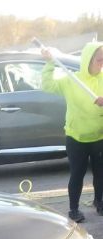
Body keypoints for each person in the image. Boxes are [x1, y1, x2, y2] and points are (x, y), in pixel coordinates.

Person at [42, 42, 103, 223]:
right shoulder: (71, 80)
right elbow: (47, 85)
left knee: (100, 173)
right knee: (77, 174)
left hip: (99, 136)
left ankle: (99, 201)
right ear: (88, 61)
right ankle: (73, 209)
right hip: (76, 137)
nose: (102, 64)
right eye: (100, 60)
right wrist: (50, 63)